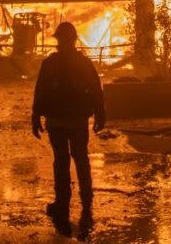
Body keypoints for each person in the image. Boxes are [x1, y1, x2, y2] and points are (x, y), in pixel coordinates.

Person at [31, 21, 106, 236]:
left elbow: (41, 90)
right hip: (75, 121)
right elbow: (95, 89)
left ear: (59, 40)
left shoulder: (50, 63)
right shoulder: (82, 63)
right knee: (80, 158)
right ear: (73, 40)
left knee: (62, 160)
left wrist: (35, 116)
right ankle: (86, 199)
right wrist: (100, 113)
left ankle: (62, 202)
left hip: (58, 121)